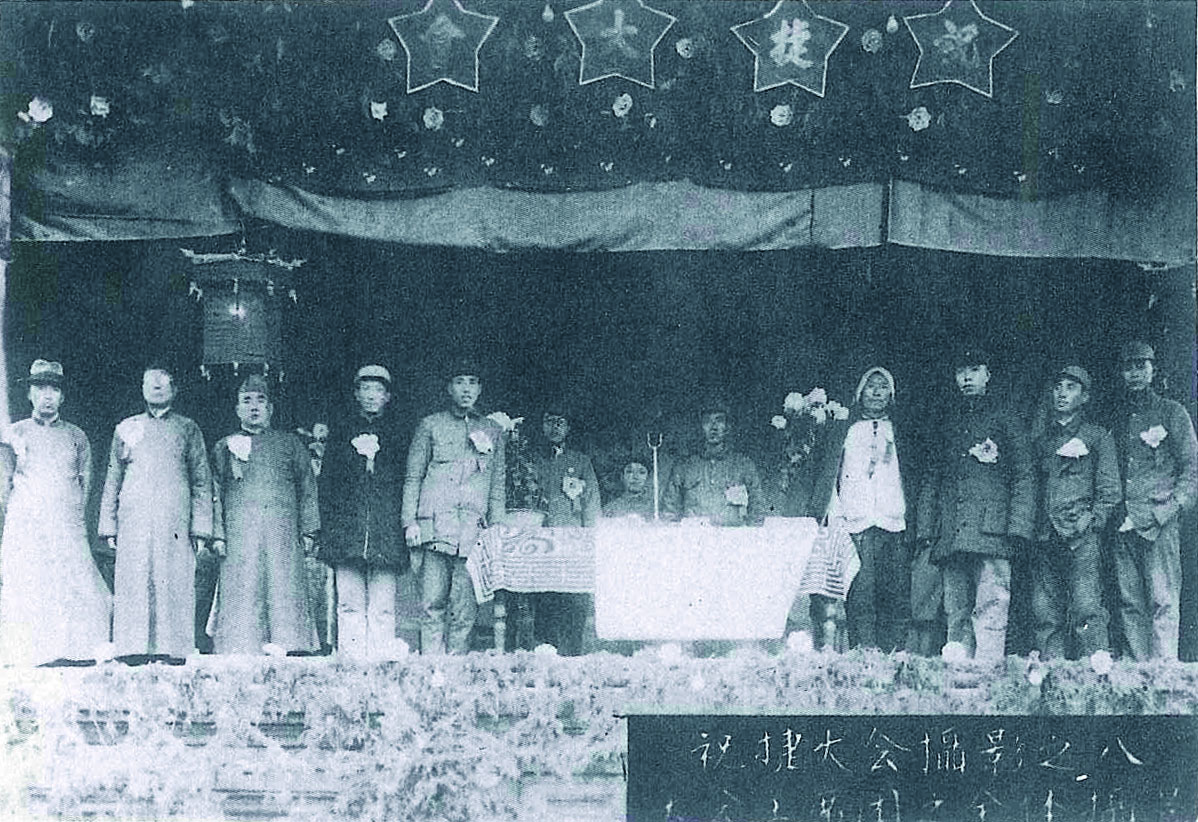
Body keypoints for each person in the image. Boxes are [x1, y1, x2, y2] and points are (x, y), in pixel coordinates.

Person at [916, 349, 1035, 663]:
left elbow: (1024, 474)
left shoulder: (1006, 417)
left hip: (992, 531)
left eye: (974, 370)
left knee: (992, 604)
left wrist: (1018, 527)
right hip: (952, 531)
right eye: (961, 371)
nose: (967, 378)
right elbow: (933, 476)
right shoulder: (948, 421)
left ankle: (987, 669)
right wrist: (927, 528)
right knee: (955, 608)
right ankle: (959, 670)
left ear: (987, 375)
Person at [792, 367, 917, 652]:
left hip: (894, 523)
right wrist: (836, 515)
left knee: (896, 595)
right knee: (861, 596)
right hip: (856, 523)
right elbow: (831, 474)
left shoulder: (899, 432)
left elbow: (911, 476)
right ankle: (864, 656)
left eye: (883, 386)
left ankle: (893, 657)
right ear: (860, 392)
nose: (876, 392)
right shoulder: (844, 431)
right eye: (871, 386)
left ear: (891, 394)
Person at [99, 363, 213, 663]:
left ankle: (173, 649)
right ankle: (132, 648)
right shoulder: (126, 428)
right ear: (142, 389)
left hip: (175, 520)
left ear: (175, 390)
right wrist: (108, 525)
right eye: (150, 381)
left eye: (164, 381)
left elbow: (202, 480)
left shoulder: (188, 429)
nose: (157, 386)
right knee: (135, 579)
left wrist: (201, 528)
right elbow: (113, 478)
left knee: (174, 578)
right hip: (134, 519)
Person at [0, 360, 111, 666]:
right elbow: (4, 486)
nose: (47, 395)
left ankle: (75, 651)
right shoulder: (14, 434)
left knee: (72, 584)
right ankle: (29, 652)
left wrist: (75, 519)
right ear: (29, 394)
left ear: (62, 396)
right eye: (40, 388)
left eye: (54, 389)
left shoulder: (77, 436)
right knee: (30, 583)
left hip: (66, 524)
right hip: (27, 525)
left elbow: (86, 484)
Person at [208, 375, 320, 655]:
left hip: (282, 532)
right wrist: (217, 535)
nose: (254, 407)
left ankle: (291, 644)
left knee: (284, 583)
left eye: (260, 401)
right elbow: (214, 491)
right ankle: (239, 646)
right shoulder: (224, 446)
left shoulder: (290, 444)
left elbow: (308, 488)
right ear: (237, 409)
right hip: (239, 534)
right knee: (243, 584)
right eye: (246, 401)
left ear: (270, 408)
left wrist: (309, 531)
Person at [403, 362, 505, 654]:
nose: (466, 389)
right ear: (449, 388)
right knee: (431, 604)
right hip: (435, 529)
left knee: (464, 610)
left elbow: (497, 484)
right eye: (459, 381)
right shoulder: (430, 425)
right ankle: (431, 668)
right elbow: (413, 477)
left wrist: (496, 529)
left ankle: (457, 668)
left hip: (473, 533)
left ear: (480, 389)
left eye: (472, 382)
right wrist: (410, 521)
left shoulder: (493, 431)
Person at [1110, 342, 1198, 661]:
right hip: (1124, 522)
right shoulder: (1117, 418)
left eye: (1141, 366)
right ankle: (1138, 671)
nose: (1134, 373)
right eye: (1128, 368)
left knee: (1163, 598)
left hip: (1160, 520)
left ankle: (1164, 671)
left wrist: (1172, 508)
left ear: (1152, 369)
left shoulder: (1172, 412)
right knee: (1130, 601)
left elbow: (1192, 467)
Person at [317, 365, 409, 660]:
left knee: (382, 607)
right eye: (365, 389)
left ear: (387, 397)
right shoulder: (342, 432)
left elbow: (408, 483)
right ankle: (352, 662)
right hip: (347, 533)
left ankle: (381, 662)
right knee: (349, 604)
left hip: (386, 532)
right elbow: (327, 485)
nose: (371, 396)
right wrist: (330, 529)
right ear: (356, 394)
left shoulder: (399, 435)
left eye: (378, 390)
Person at [1029, 365, 1120, 660]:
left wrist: (1092, 521)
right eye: (1058, 387)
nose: (1062, 393)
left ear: (1085, 396)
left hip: (1082, 535)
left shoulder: (1097, 437)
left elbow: (1110, 490)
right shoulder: (1042, 442)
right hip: (1046, 535)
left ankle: (1093, 673)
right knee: (1045, 611)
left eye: (1071, 387)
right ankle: (1052, 672)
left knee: (1086, 606)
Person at [529, 407, 601, 656]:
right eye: (549, 421)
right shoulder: (531, 460)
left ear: (568, 428)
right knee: (544, 597)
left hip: (573, 541)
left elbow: (591, 503)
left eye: (561, 422)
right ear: (542, 426)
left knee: (575, 598)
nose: (555, 427)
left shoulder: (580, 462)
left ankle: (574, 654)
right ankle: (545, 652)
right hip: (541, 540)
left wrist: (591, 538)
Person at [662, 399, 762, 527]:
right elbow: (669, 511)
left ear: (727, 427)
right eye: (707, 421)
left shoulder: (743, 465)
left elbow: (757, 509)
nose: (713, 427)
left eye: (719, 420)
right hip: (693, 535)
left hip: (733, 536)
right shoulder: (684, 466)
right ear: (700, 427)